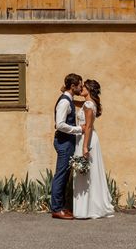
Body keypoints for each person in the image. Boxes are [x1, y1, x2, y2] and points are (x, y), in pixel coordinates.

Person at [73, 79, 115, 219]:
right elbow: (72, 100)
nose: (81, 89)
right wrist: (68, 91)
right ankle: (86, 208)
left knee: (86, 172)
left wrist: (85, 147)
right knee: (86, 173)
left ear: (89, 89)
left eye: (83, 87)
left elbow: (89, 127)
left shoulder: (89, 105)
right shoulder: (88, 103)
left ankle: (89, 209)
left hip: (88, 139)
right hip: (85, 138)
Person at [50, 73, 85, 220]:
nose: (81, 87)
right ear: (73, 86)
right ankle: (57, 209)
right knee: (61, 175)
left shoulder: (68, 99)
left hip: (67, 142)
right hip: (64, 142)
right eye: (80, 85)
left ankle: (61, 206)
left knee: (64, 175)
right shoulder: (65, 102)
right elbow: (60, 125)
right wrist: (79, 129)